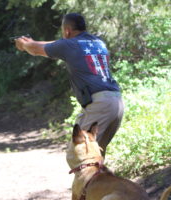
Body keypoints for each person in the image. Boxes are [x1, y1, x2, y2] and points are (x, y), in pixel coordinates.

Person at [14, 13, 124, 157]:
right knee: (95, 157)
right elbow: (56, 44)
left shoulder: (68, 45)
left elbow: (34, 49)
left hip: (99, 105)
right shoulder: (97, 41)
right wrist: (33, 41)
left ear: (66, 31)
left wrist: (23, 44)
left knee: (78, 155)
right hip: (116, 102)